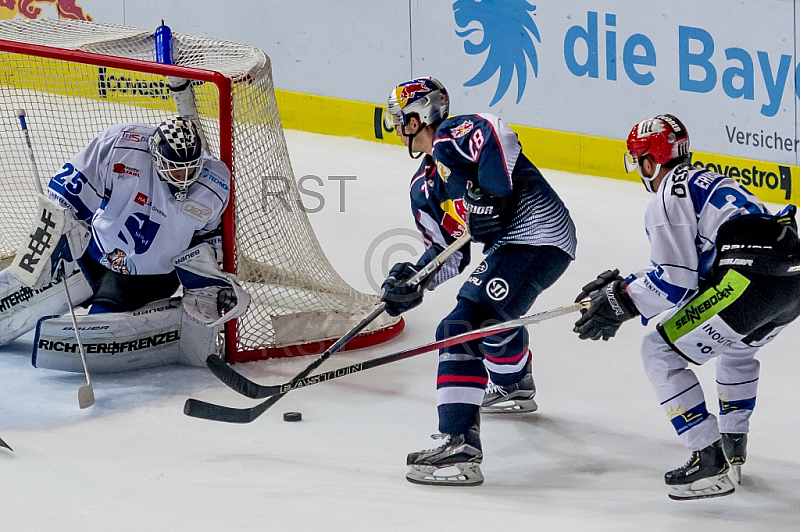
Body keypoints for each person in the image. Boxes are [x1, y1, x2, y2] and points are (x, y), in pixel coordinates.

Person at [572, 114, 800, 500]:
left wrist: (621, 301)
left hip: (747, 281)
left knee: (658, 350)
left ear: (649, 161)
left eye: (638, 159)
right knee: (738, 348)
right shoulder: (710, 181)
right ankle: (733, 444)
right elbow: (694, 269)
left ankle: (707, 458)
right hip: (790, 281)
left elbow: (675, 283)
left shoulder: (667, 195)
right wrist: (625, 285)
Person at [381, 77, 577, 486]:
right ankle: (512, 384)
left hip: (539, 234)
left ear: (419, 118)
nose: (397, 127)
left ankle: (459, 446)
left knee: (458, 328)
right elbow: (449, 251)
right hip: (513, 246)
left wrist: (492, 193)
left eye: (401, 118)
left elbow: (495, 132)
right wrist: (413, 280)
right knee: (487, 320)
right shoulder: (425, 185)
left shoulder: (453, 136)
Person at [1, 116, 240, 355]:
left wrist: (207, 283)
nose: (184, 176)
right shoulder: (121, 144)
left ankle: (109, 308)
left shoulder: (215, 184)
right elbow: (69, 188)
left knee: (97, 329)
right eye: (175, 167)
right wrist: (62, 224)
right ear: (155, 155)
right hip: (92, 250)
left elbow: (207, 241)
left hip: (149, 276)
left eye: (190, 167)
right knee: (22, 296)